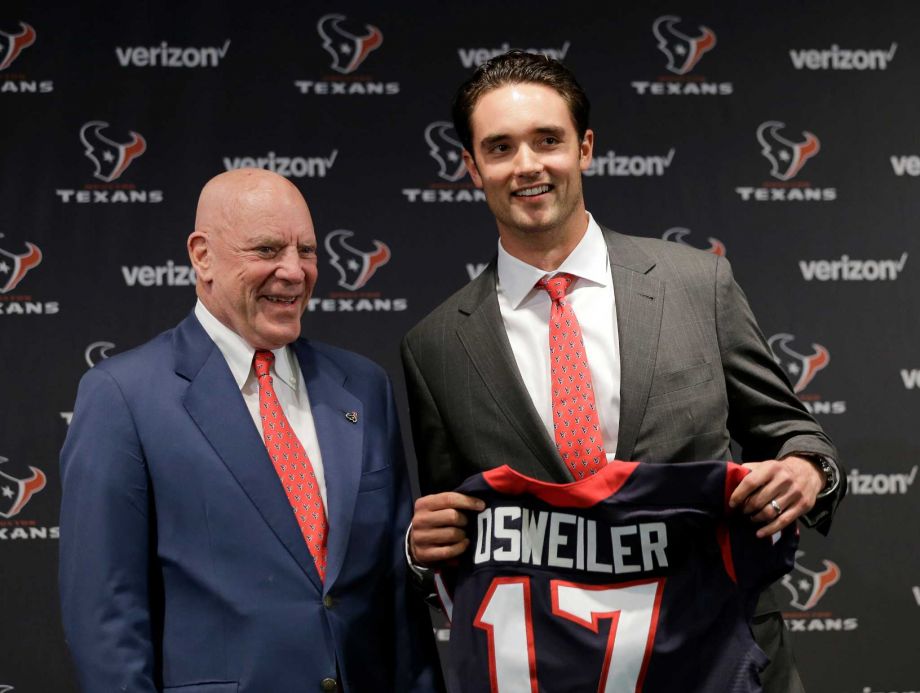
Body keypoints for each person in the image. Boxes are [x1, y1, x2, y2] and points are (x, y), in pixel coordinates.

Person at [401, 51, 844, 692]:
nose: (527, 165)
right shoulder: (435, 344)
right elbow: (457, 535)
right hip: (555, 671)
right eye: (499, 148)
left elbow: (794, 434)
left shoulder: (697, 284)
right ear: (471, 168)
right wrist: (424, 550)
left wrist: (807, 470)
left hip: (718, 654)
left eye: (546, 140)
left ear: (584, 148)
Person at [59, 169, 442, 693]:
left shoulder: (363, 387)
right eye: (266, 250)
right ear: (202, 255)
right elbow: (105, 614)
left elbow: (396, 595)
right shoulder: (122, 396)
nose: (293, 271)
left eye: (306, 251)